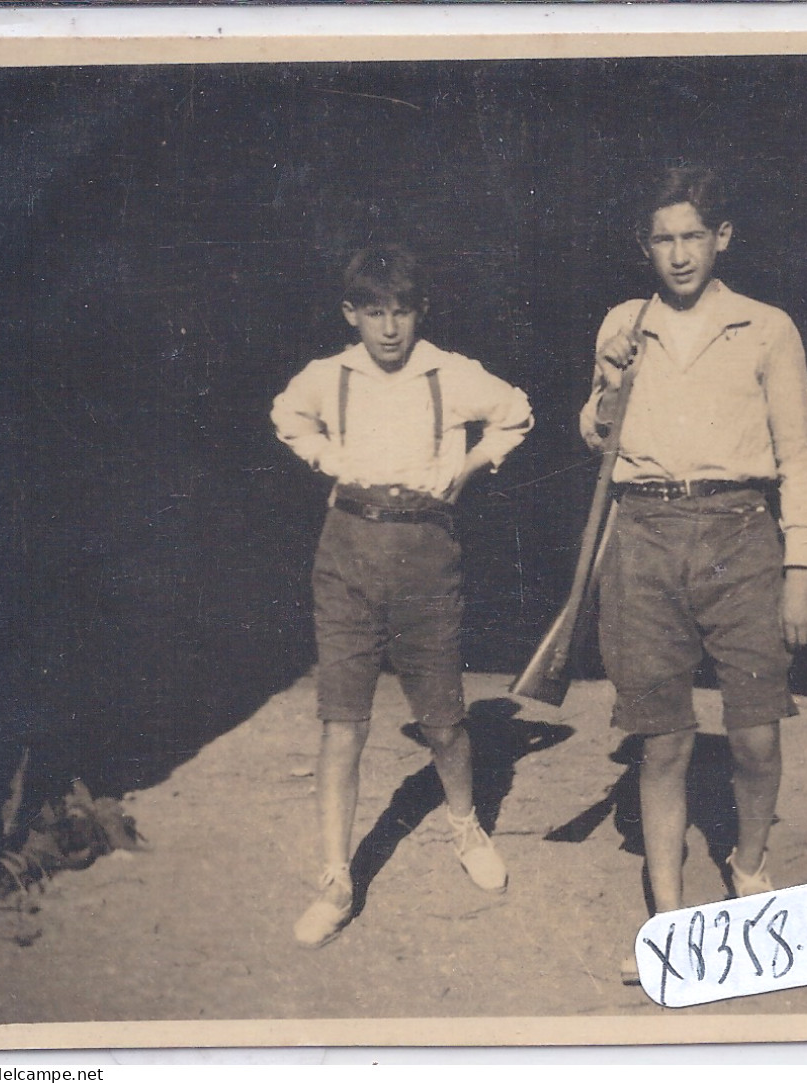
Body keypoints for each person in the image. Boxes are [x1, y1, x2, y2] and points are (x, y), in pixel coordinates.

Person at [578, 165, 807, 979]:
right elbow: (596, 433)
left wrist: (801, 567)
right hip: (642, 532)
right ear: (643, 246)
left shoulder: (766, 326)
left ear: (721, 238)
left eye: (693, 236)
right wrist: (610, 378)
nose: (678, 254)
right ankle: (671, 923)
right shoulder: (622, 322)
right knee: (661, 741)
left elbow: (799, 454)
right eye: (663, 238)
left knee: (754, 733)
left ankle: (751, 870)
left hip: (739, 531)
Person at [272, 244, 534, 948]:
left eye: (402, 312)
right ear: (351, 314)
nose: (389, 329)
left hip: (426, 553)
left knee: (444, 718)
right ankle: (335, 876)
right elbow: (287, 414)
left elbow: (516, 412)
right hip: (348, 550)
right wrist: (331, 458)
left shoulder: (449, 373)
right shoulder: (331, 377)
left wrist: (470, 465)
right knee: (341, 721)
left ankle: (463, 825)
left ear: (420, 312)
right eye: (375, 313)